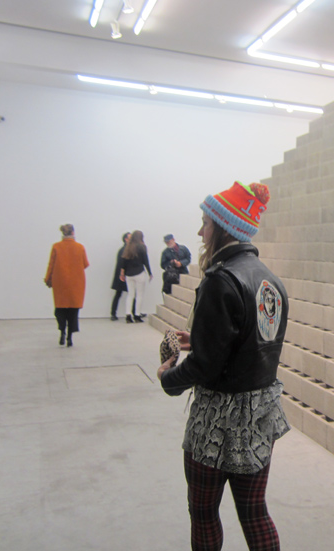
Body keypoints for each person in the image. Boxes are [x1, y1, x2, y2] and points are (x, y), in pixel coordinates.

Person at [157, 181, 289, 551]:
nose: (201, 232)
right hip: (259, 413)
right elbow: (251, 342)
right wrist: (200, 337)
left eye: (206, 223)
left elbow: (204, 367)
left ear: (224, 228)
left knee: (203, 512)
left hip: (216, 417)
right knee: (254, 512)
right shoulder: (270, 280)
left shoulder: (220, 280)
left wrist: (168, 377)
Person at [44, 224, 89, 347]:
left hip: (60, 282)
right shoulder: (80, 247)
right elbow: (85, 264)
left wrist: (47, 278)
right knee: (73, 310)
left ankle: (62, 332)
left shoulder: (56, 246)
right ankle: (70, 337)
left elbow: (51, 264)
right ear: (73, 233)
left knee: (60, 309)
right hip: (76, 282)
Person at [119, 230, 152, 323]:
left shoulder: (128, 247)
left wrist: (122, 273)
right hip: (139, 273)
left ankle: (128, 315)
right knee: (139, 295)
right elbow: (146, 261)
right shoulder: (142, 247)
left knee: (130, 295)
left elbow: (123, 261)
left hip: (129, 274)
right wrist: (150, 272)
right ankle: (137, 315)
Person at [110, 232, 135, 320]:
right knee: (121, 294)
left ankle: (134, 312)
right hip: (123, 275)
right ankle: (113, 314)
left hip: (125, 274)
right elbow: (122, 264)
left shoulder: (127, 249)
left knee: (126, 294)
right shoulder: (124, 250)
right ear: (126, 239)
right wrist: (122, 274)